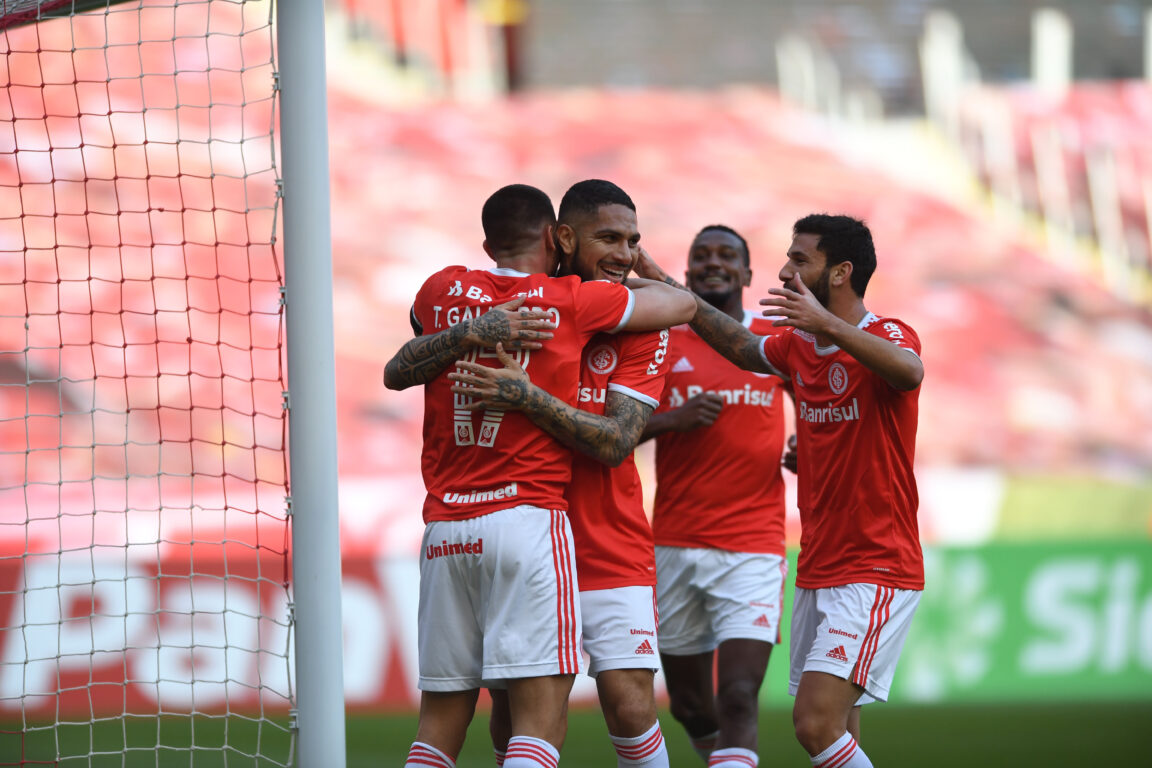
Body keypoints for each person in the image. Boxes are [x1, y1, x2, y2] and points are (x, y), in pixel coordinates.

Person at [385, 183, 695, 768]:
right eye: (610, 239)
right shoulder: (569, 301)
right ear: (562, 237)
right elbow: (684, 304)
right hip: (529, 527)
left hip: (600, 540)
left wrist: (523, 393)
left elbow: (617, 442)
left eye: (633, 242)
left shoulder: (453, 291)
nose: (624, 254)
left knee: (629, 706)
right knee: (520, 720)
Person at [634, 214, 924, 768]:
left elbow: (909, 372)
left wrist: (828, 324)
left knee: (814, 724)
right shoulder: (796, 348)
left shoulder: (888, 332)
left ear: (839, 273)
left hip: (876, 564)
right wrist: (665, 282)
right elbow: (741, 344)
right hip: (819, 564)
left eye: (799, 259)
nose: (786, 270)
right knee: (838, 727)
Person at [635, 225, 791, 768]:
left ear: (747, 273)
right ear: (687, 272)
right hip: (674, 543)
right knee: (689, 705)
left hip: (753, 547)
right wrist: (672, 419)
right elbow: (612, 429)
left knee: (739, 695)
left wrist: (808, 450)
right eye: (701, 255)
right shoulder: (662, 341)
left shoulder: (771, 342)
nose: (713, 262)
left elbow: (819, 410)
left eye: (727, 255)